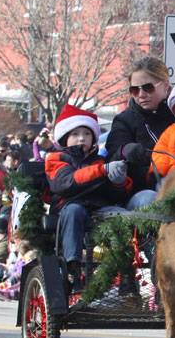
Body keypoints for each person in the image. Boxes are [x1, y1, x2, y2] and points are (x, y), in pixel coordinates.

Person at [45, 105, 132, 288]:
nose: (81, 138)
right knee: (75, 210)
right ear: (65, 138)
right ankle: (73, 268)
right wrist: (101, 171)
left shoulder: (100, 160)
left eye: (86, 133)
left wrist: (120, 182)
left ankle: (127, 276)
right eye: (75, 134)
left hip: (99, 208)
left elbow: (114, 194)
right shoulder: (56, 159)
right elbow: (66, 183)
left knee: (122, 215)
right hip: (69, 207)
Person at [105, 57, 175, 209]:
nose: (141, 94)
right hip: (140, 192)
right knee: (149, 198)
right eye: (134, 90)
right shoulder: (125, 120)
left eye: (148, 88)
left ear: (165, 85)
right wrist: (124, 151)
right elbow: (113, 156)